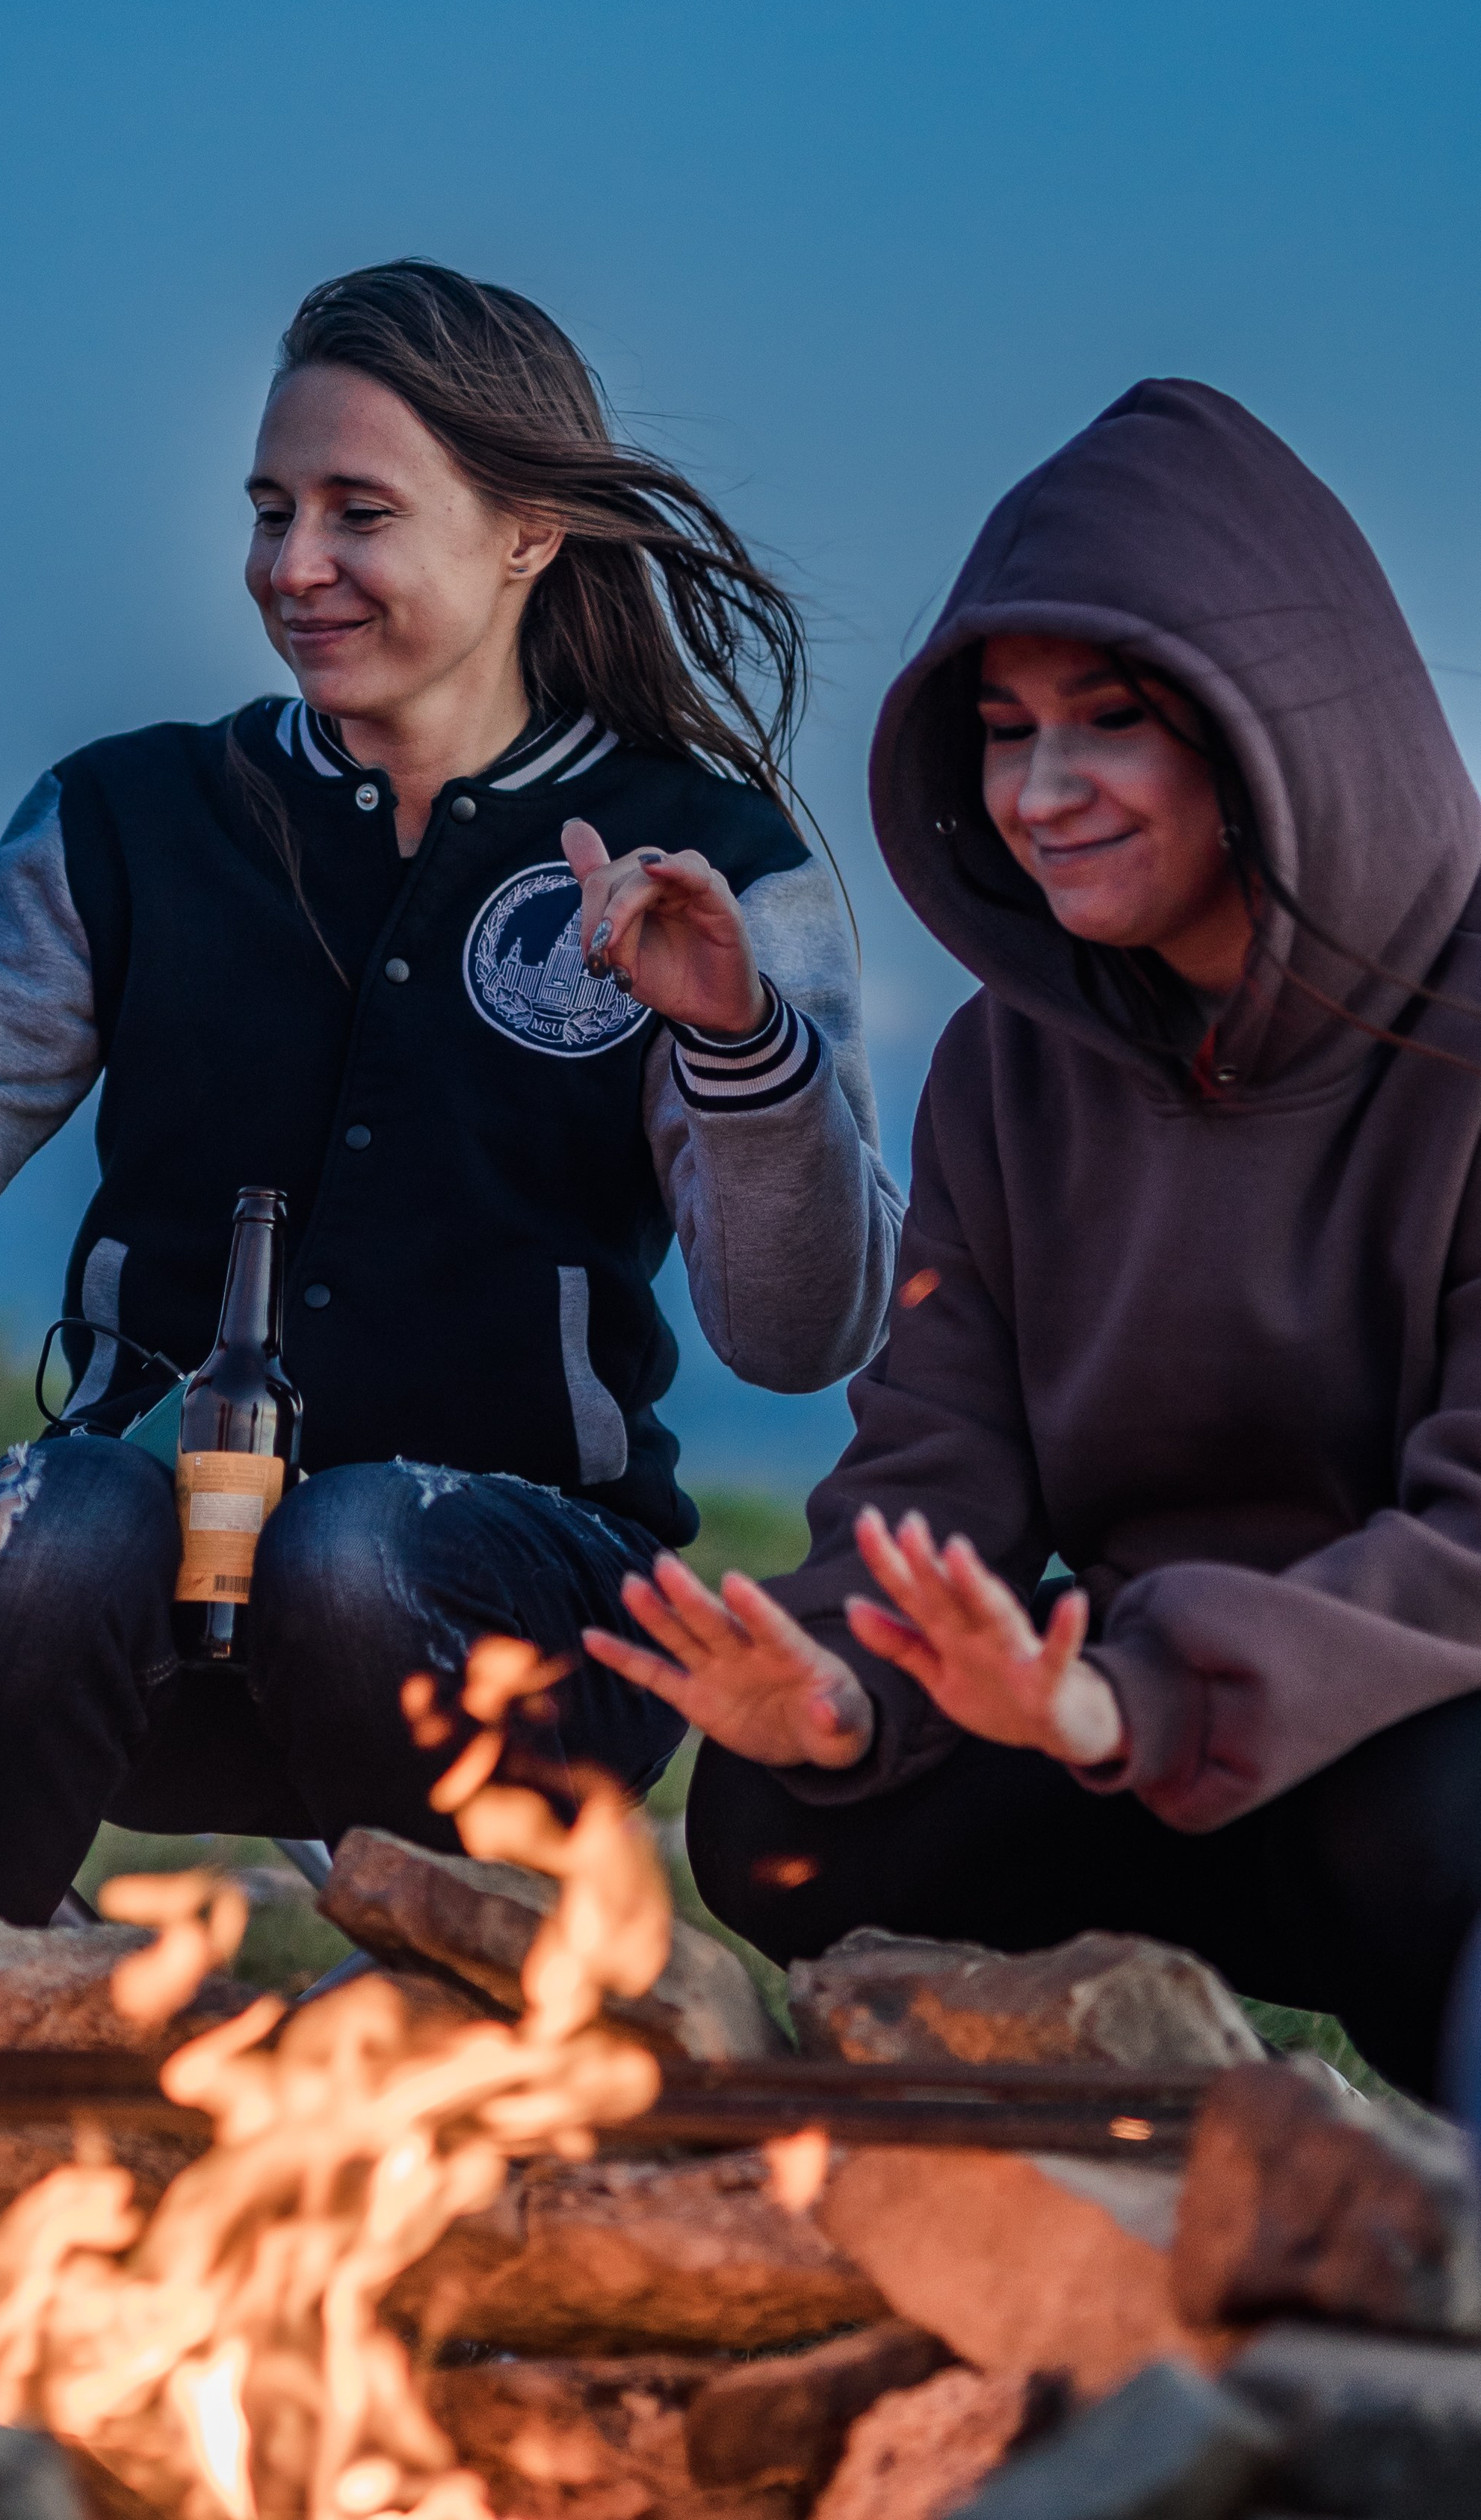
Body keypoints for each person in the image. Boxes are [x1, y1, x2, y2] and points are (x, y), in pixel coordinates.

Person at [0, 259, 903, 1926]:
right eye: (269, 510)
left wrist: (739, 1044)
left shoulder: (710, 870)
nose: (293, 565)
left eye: (357, 512)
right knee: (46, 1529)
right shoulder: (125, 824)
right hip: (158, 1605)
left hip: (526, 1627)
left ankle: (469, 2053)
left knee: (349, 1549)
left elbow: (796, 1332)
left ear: (528, 529)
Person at [585, 378, 1481, 2096]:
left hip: (1398, 1733)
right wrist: (840, 1684)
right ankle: (1057, 2206)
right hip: (1129, 1734)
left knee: (1437, 1811)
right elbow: (938, 1468)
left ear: (1266, 728)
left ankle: (1433, 2290)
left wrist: (1135, 1696)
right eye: (1002, 730)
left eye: (1108, 722)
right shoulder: (1011, 1062)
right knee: (784, 1812)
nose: (1040, 789)